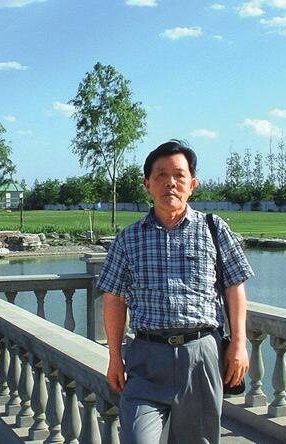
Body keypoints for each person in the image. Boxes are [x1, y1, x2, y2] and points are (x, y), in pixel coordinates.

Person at [96, 140, 254, 444]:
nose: (170, 182)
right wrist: (114, 357)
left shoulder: (214, 229)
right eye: (161, 175)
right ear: (147, 184)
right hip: (146, 358)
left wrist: (238, 343)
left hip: (200, 355)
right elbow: (114, 300)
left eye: (179, 175)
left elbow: (235, 287)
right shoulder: (128, 238)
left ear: (192, 184)